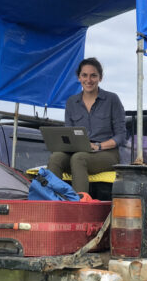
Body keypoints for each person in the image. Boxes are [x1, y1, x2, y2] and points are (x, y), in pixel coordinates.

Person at [48, 57, 126, 194]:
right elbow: (69, 133)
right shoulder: (71, 102)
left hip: (107, 153)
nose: (88, 80)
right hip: (79, 150)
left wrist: (99, 146)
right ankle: (53, 202)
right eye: (84, 75)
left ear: (100, 78)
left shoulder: (112, 99)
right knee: (56, 157)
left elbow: (121, 136)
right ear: (79, 77)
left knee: (79, 158)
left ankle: (80, 205)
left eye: (93, 75)